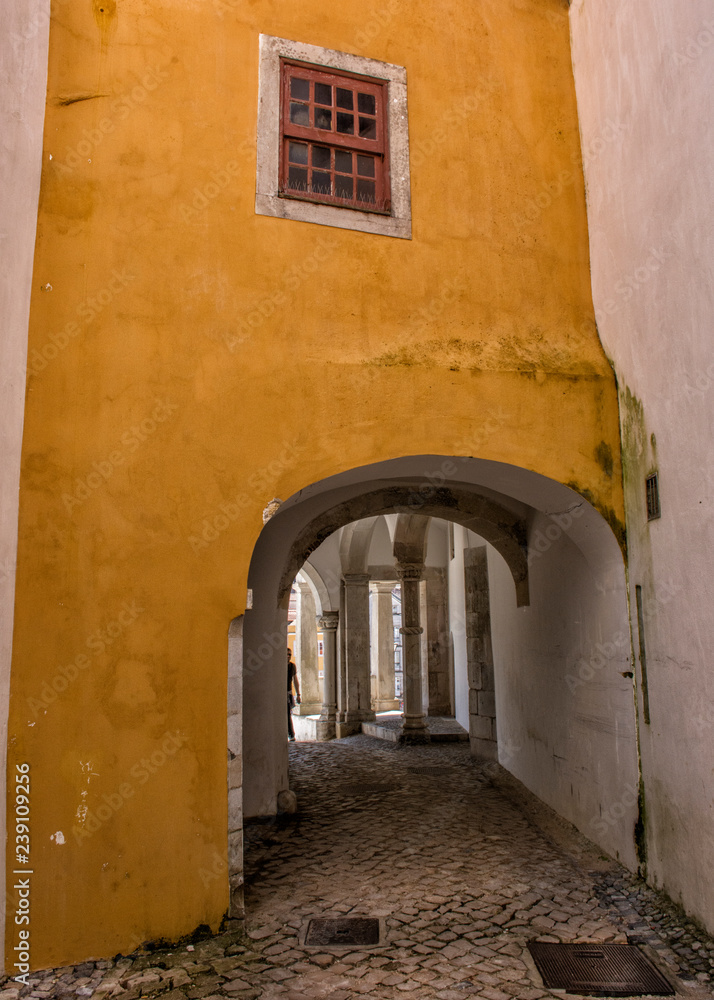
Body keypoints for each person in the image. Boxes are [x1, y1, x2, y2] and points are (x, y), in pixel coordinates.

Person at [287, 647, 301, 741]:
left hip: (288, 693)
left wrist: (298, 694)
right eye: (286, 654)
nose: (288, 656)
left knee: (287, 713)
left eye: (290, 654)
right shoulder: (278, 666)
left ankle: (291, 734)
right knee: (286, 714)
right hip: (280, 693)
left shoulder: (292, 666)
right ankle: (290, 734)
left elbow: (295, 680)